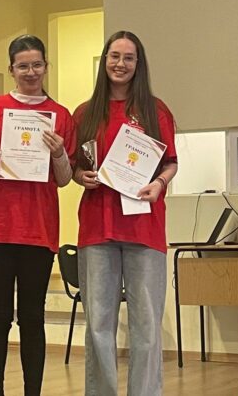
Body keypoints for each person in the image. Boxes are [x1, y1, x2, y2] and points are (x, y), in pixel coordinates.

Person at [0, 35, 76, 396]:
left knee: (32, 318)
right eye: (23, 66)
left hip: (38, 229)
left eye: (37, 64)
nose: (31, 72)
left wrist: (59, 154)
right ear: (11, 69)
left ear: (46, 66)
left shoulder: (60, 116)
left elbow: (65, 179)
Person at [73, 31, 178, 396]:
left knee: (146, 325)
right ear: (105, 61)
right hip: (96, 229)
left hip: (144, 227)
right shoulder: (85, 113)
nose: (120, 64)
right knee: (98, 325)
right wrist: (80, 176)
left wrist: (159, 184)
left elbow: (170, 163)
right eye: (114, 56)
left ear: (138, 64)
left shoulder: (155, 110)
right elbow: (76, 165)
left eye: (128, 58)